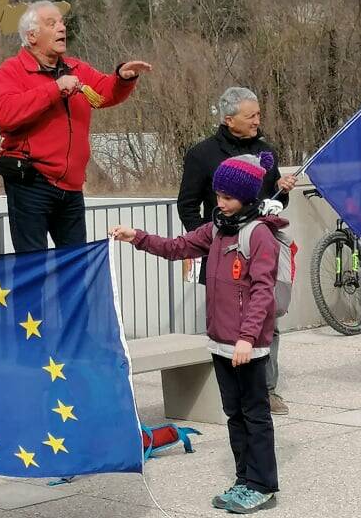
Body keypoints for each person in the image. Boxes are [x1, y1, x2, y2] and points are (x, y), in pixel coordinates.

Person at [112, 152, 283, 513]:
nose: (220, 203)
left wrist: (247, 338)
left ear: (248, 198)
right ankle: (244, 479)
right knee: (234, 415)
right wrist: (137, 237)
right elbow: (177, 247)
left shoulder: (259, 236)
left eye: (227, 198)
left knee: (255, 416)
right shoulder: (217, 228)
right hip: (221, 342)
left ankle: (263, 484)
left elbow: (262, 292)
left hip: (246, 347)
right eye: (217, 195)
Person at [0, 0, 152, 252]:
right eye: (51, 23)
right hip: (31, 182)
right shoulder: (11, 70)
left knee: (75, 265)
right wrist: (54, 89)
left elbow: (104, 92)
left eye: (62, 22)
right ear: (32, 36)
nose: (61, 28)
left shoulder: (76, 68)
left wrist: (123, 77)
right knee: (34, 268)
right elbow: (6, 114)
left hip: (71, 186)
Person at [177, 86, 296, 415]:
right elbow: (186, 206)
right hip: (221, 256)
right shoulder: (202, 155)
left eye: (259, 114)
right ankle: (227, 387)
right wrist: (211, 239)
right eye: (251, 116)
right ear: (230, 120)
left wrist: (280, 192)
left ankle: (267, 389)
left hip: (260, 249)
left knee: (267, 318)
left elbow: (270, 203)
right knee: (225, 322)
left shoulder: (266, 151)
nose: (258, 120)